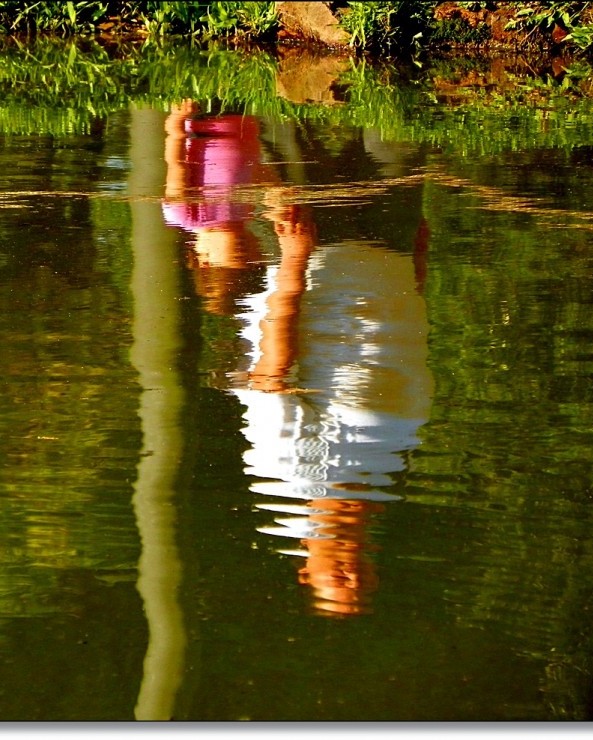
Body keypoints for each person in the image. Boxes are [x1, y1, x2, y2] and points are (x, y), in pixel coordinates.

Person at [162, 101, 433, 615]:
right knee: (400, 124)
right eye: (362, 581)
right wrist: (418, 267)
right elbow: (405, 350)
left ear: (306, 567)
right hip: (391, 245)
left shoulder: (282, 480)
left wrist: (294, 259)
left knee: (288, 118)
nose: (353, 570)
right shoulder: (390, 473)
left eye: (338, 578)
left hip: (321, 249)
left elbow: (271, 372)